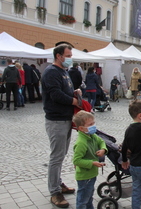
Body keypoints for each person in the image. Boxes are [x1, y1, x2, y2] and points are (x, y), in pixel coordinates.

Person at [41, 43, 80, 208]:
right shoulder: (51, 72)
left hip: (65, 118)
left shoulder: (63, 72)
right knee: (56, 157)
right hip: (56, 119)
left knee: (61, 154)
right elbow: (56, 94)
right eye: (68, 55)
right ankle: (54, 192)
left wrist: (75, 92)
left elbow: (65, 90)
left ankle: (58, 183)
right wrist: (74, 100)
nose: (70, 58)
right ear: (59, 56)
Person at [72, 110, 107, 209]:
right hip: (85, 176)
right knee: (83, 200)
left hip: (91, 174)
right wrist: (92, 163)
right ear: (81, 128)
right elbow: (76, 160)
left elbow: (101, 141)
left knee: (89, 197)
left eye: (93, 123)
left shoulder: (92, 135)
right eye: (90, 124)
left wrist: (103, 149)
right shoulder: (81, 143)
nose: (93, 126)